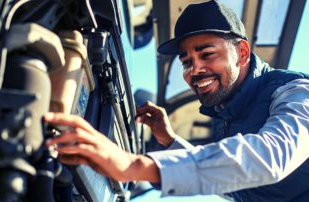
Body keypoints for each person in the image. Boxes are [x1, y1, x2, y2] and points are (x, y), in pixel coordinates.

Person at [45, 1, 309, 201]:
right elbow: (234, 186)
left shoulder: (295, 91)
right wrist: (169, 141)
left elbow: (271, 157)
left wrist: (133, 166)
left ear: (241, 52)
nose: (195, 70)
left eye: (207, 54)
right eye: (186, 62)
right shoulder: (224, 117)